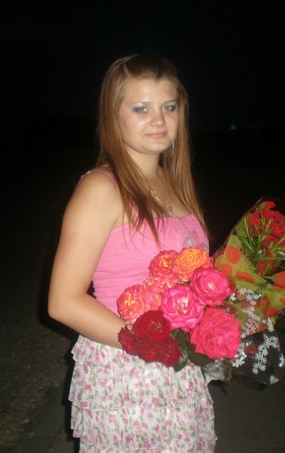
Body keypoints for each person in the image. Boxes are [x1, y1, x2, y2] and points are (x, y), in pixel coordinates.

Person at [47, 53, 216, 452]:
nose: (158, 120)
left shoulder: (177, 185)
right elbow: (63, 302)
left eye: (169, 107)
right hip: (127, 369)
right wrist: (149, 345)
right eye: (141, 108)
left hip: (180, 368)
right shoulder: (101, 188)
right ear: (113, 115)